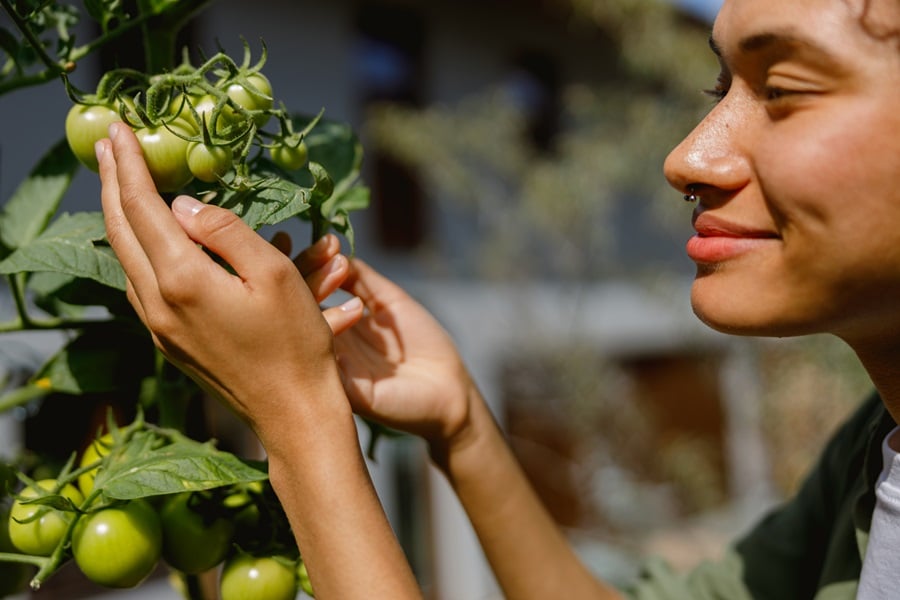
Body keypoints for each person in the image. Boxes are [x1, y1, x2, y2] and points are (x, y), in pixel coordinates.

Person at [95, 0, 900, 596]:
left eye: (785, 89)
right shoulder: (872, 456)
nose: (689, 156)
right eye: (718, 88)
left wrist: (297, 416)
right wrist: (462, 422)